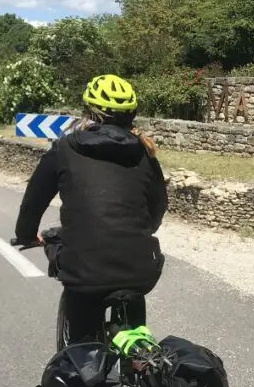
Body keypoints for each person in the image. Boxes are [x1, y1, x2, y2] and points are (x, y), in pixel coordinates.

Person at [13, 74, 168, 349]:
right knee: (136, 338)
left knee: (80, 357)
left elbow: (34, 200)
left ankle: (81, 363)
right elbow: (158, 207)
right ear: (132, 116)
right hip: (141, 267)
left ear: (88, 113)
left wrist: (26, 234)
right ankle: (138, 367)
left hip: (85, 271)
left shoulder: (64, 149)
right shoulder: (145, 154)